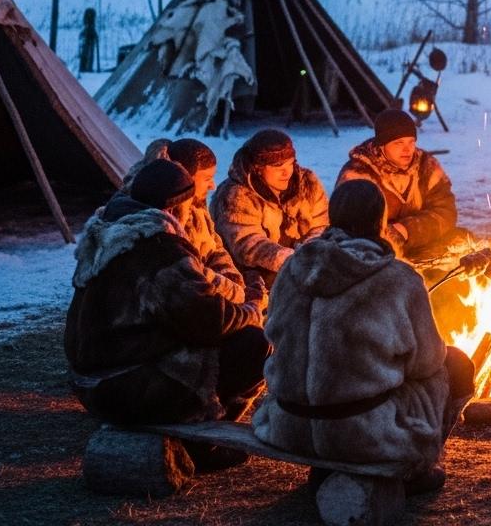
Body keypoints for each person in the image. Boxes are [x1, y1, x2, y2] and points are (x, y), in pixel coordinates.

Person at [253, 180, 474, 496]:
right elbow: (427, 362)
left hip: (287, 425)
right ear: (381, 222)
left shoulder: (291, 268)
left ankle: (325, 464)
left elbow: (272, 329)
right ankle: (416, 468)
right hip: (363, 433)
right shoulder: (399, 278)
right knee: (455, 364)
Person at [65, 160, 269, 431]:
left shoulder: (108, 232)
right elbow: (210, 320)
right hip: (125, 387)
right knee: (254, 343)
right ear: (174, 206)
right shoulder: (158, 249)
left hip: (90, 379)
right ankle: (201, 437)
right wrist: (252, 309)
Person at [337, 108, 463, 260]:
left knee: (463, 243)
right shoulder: (357, 175)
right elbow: (351, 229)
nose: (407, 149)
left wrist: (406, 230)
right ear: (382, 145)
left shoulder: (426, 167)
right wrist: (388, 236)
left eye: (411, 142)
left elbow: (446, 212)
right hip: (375, 255)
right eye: (398, 143)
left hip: (424, 245)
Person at [211, 129, 329, 291]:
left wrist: (310, 250)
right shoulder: (237, 195)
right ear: (258, 168)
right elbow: (246, 243)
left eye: (290, 163)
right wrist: (287, 258)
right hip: (253, 277)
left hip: (301, 268)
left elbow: (321, 225)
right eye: (278, 166)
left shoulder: (308, 183)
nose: (287, 172)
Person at [129, 138, 245, 297]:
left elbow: (214, 248)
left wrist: (231, 277)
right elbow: (185, 271)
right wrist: (232, 293)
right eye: (206, 179)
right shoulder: (155, 216)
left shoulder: (196, 205)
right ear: (183, 175)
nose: (213, 186)